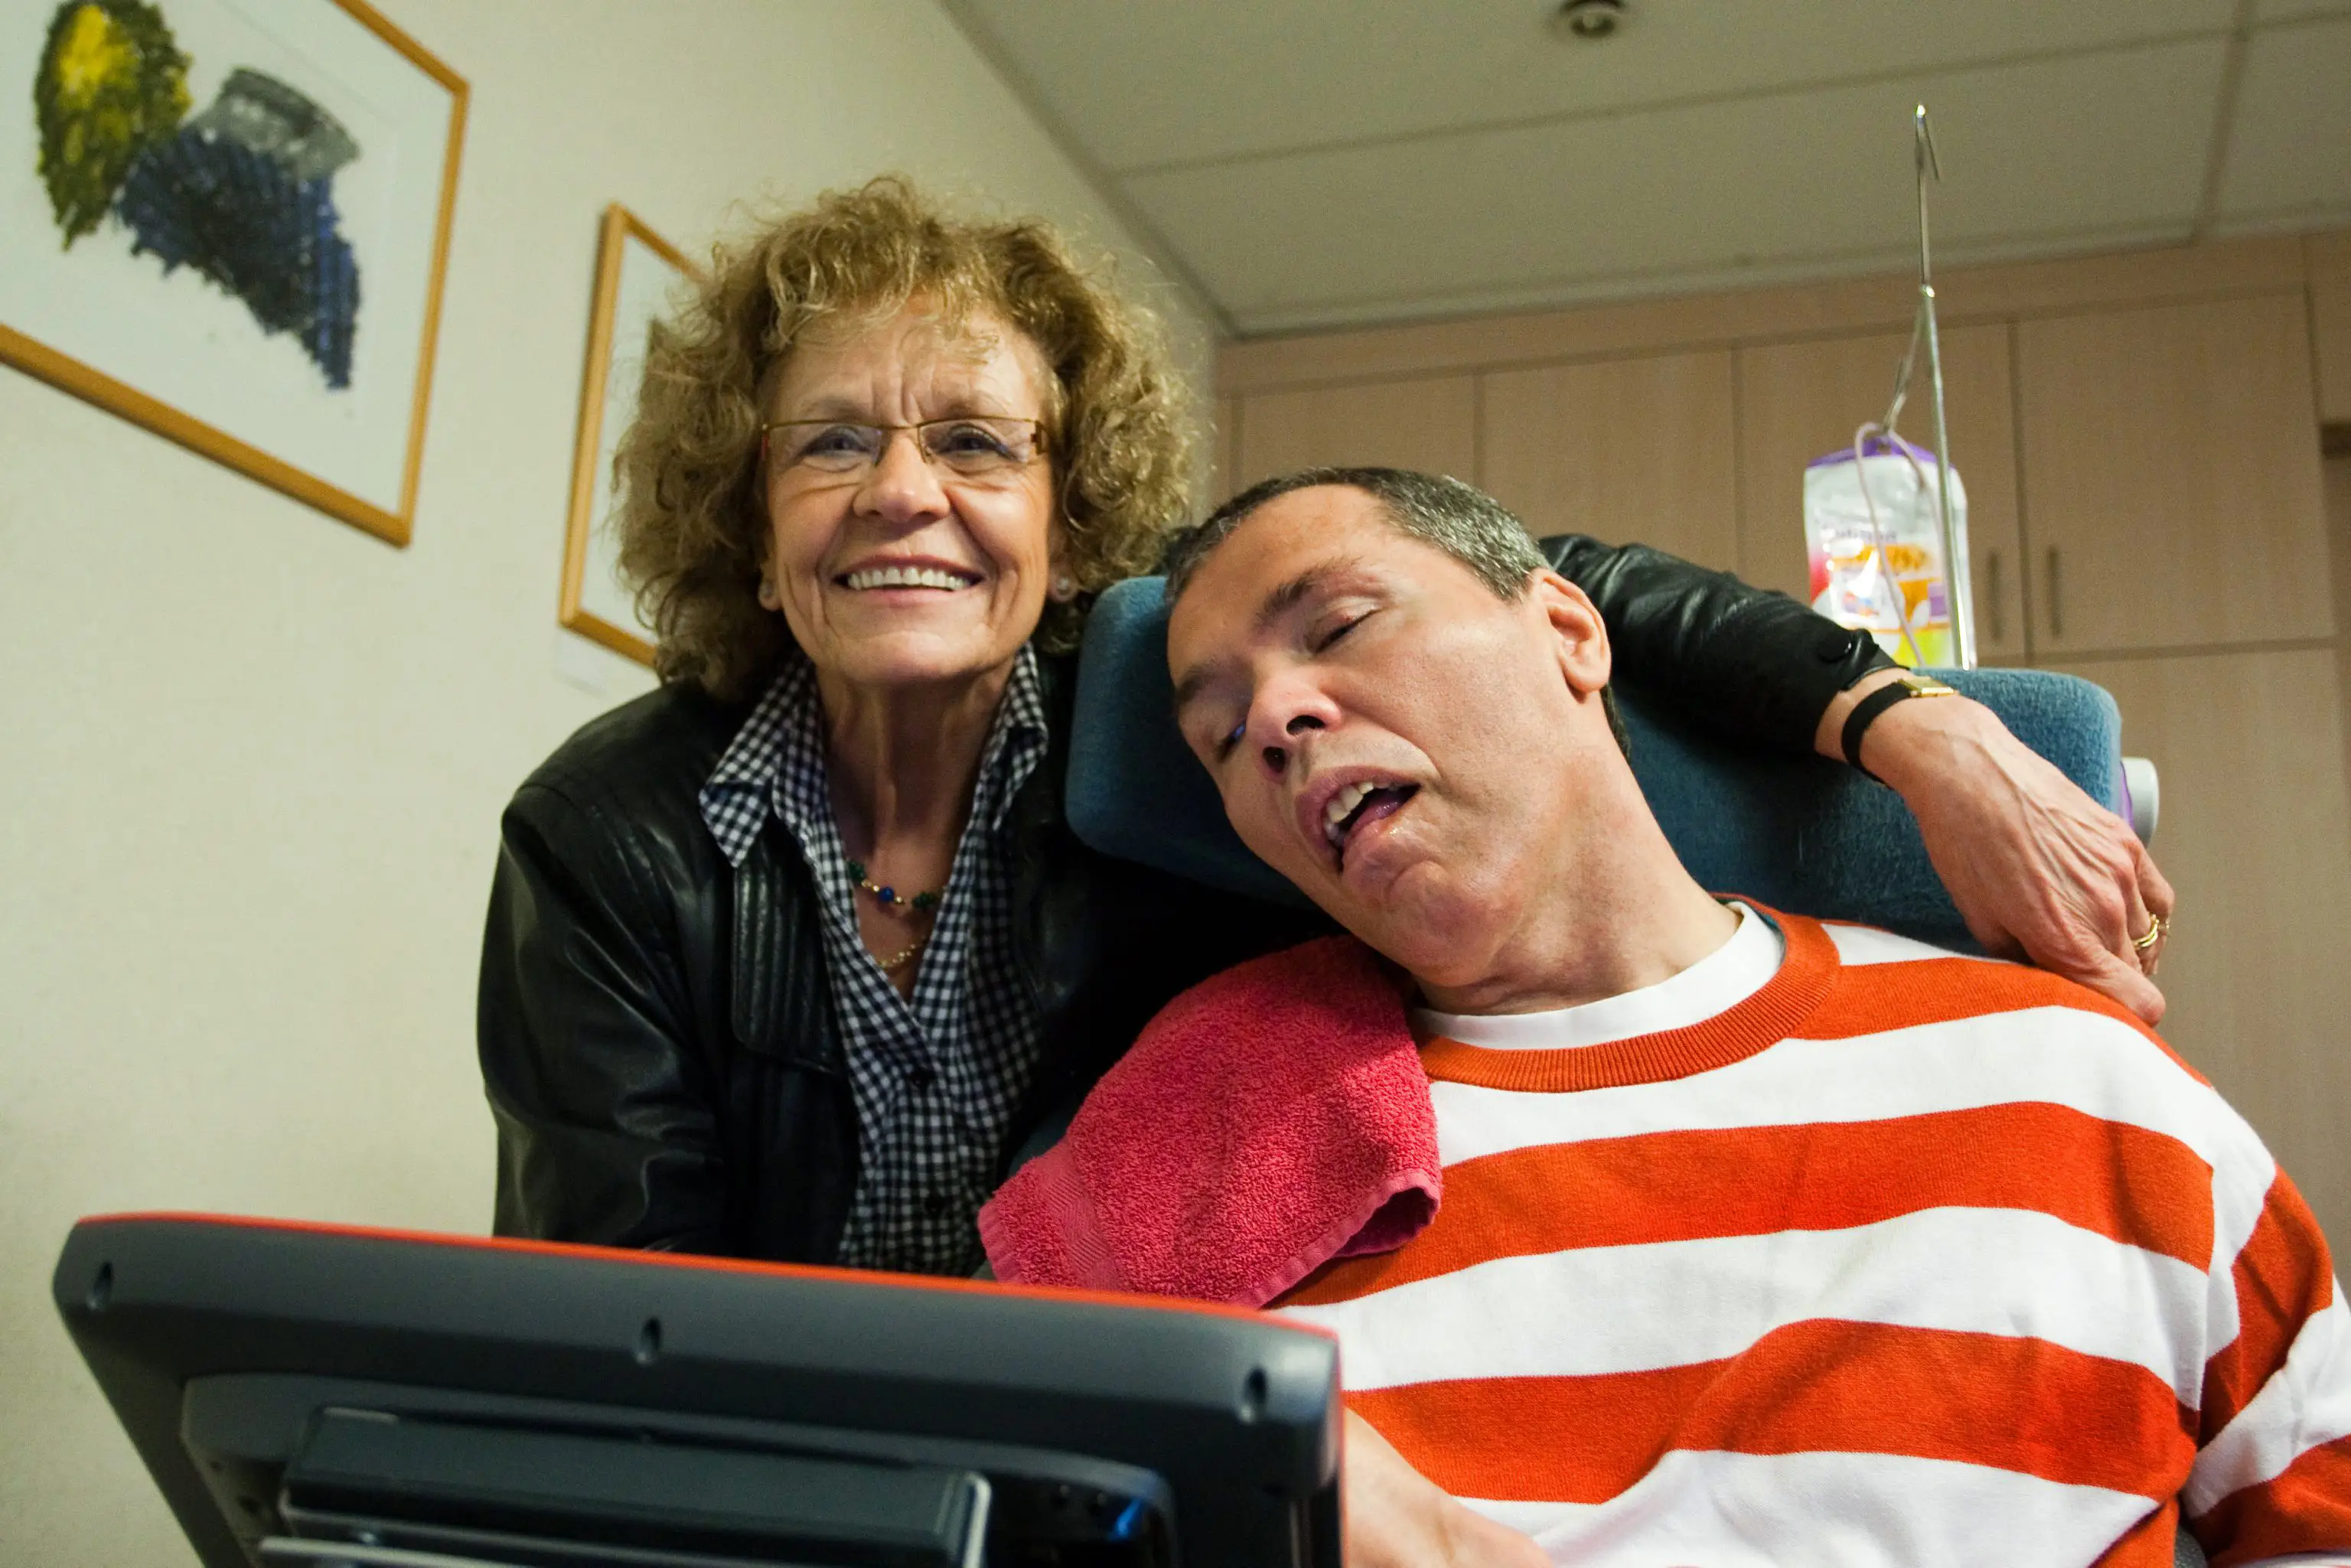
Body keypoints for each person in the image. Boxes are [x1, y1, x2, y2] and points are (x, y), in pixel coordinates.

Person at [478, 176, 2173, 1278]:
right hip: (770, 1455)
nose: (903, 493)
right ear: (750, 532)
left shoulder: (1167, 726)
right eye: (831, 445)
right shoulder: (611, 831)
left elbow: (1524, 579)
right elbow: (623, 1310)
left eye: (978, 445)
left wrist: (1910, 726)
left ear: (1067, 529)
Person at [1158, 468, 2346, 1568]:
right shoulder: (1207, 1152)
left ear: (1570, 632)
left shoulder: (2070, 1075)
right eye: (1219, 735)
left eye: (1342, 627)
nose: (1272, 722)